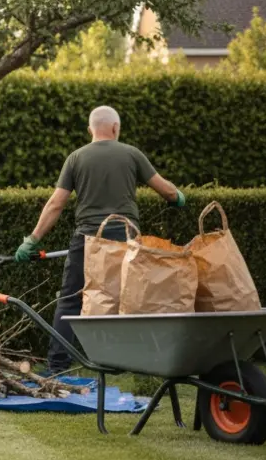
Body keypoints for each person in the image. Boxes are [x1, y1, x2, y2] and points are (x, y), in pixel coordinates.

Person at [15, 106, 185, 376]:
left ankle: (57, 367)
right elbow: (166, 190)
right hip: (126, 240)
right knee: (128, 300)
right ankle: (127, 364)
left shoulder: (76, 158)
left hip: (88, 239)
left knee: (70, 301)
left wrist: (32, 240)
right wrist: (178, 198)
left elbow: (56, 204)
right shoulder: (132, 154)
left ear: (90, 130)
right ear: (116, 127)